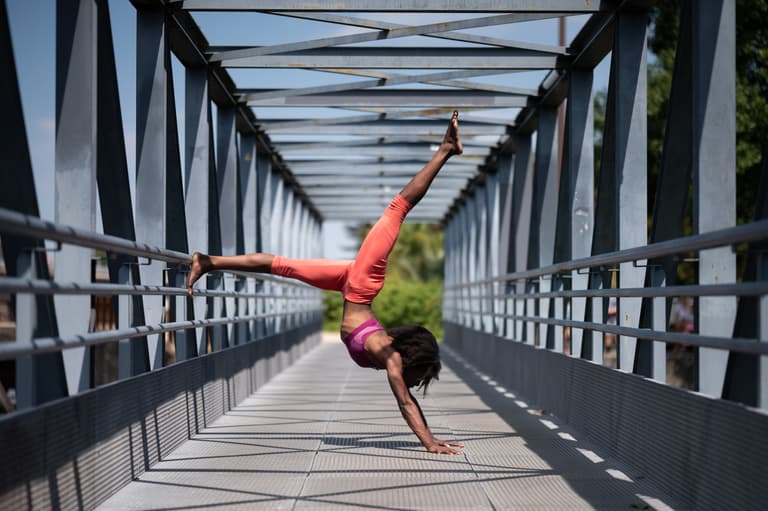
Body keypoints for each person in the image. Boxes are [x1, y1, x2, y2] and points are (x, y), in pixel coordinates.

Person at [187, 112, 465, 455]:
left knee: (282, 266)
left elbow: (409, 399)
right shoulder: (391, 358)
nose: (417, 382)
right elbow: (405, 403)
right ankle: (445, 150)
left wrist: (431, 437)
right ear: (412, 360)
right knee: (397, 210)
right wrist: (429, 442)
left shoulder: (391, 354)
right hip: (361, 284)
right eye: (420, 376)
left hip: (351, 284)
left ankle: (208, 261)